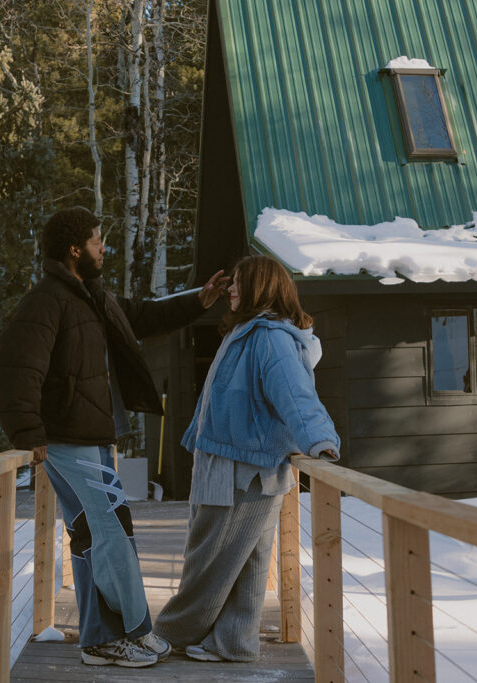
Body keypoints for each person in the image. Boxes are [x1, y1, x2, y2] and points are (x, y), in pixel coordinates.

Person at [0, 207, 229, 668]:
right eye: (98, 241)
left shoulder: (89, 296)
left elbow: (138, 316)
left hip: (91, 435)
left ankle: (101, 639)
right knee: (113, 529)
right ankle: (131, 631)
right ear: (75, 249)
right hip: (67, 438)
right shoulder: (47, 300)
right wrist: (27, 432)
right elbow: (13, 367)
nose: (105, 249)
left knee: (90, 535)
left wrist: (199, 300)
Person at [153, 254, 340, 663]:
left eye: (238, 282)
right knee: (247, 560)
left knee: (211, 558)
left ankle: (169, 633)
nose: (230, 289)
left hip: (242, 469)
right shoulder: (249, 332)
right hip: (238, 462)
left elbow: (296, 396)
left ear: (260, 287)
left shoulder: (269, 338)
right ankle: (233, 642)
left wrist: (320, 440)